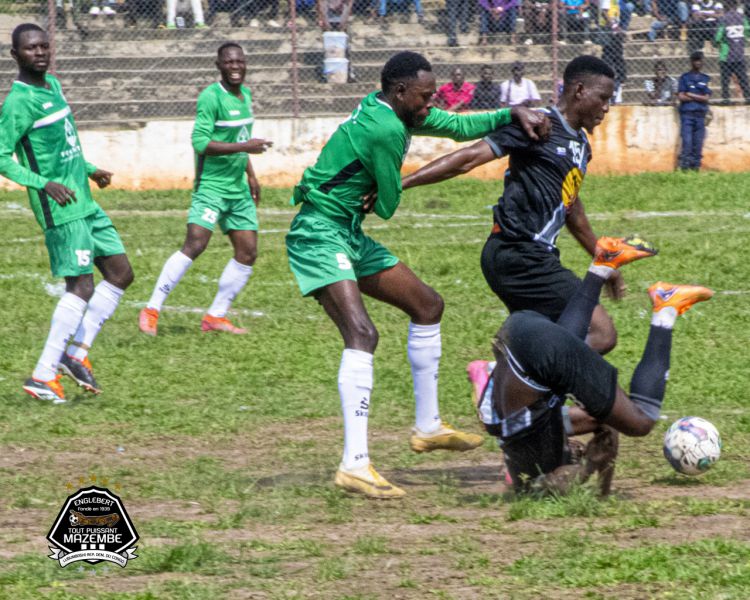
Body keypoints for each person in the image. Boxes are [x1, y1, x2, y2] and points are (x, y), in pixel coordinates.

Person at [285, 51, 549, 499]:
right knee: (362, 334)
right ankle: (354, 464)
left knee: (427, 305)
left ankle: (427, 427)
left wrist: (510, 112)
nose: (431, 104)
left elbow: (455, 126)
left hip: (346, 231)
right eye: (426, 96)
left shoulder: (388, 108)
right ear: (402, 91)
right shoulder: (387, 128)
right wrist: (385, 185)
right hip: (319, 233)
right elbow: (386, 206)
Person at [401, 56, 623, 354]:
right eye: (603, 98)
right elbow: (469, 158)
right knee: (600, 333)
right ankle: (509, 374)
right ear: (580, 90)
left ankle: (508, 375)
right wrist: (403, 183)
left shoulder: (582, 146)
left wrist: (602, 258)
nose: (607, 108)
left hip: (533, 256)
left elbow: (572, 208)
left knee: (535, 337)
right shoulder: (536, 123)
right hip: (517, 252)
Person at [467, 236, 713, 495]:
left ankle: (666, 308)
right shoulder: (536, 434)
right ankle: (603, 267)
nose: (579, 449)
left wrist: (588, 466)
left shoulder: (536, 469)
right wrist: (603, 492)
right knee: (560, 360)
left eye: (575, 453)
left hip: (534, 357)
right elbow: (605, 424)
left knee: (640, 422)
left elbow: (550, 486)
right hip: (519, 333)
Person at [0, 24, 135, 403]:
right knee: (81, 286)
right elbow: (2, 157)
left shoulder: (53, 86)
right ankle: (43, 375)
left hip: (84, 200)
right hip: (61, 208)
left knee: (121, 273)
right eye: (31, 49)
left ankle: (74, 353)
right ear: (15, 55)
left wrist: (89, 169)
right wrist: (43, 183)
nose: (40, 53)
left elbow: (64, 143)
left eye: (44, 46)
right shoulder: (17, 102)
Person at [138, 43, 272, 336]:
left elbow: (240, 137)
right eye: (229, 62)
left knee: (247, 252)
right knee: (195, 244)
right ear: (218, 65)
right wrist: (244, 147)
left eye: (239, 61)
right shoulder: (211, 98)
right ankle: (151, 308)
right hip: (211, 186)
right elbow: (201, 143)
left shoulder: (245, 95)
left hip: (237, 188)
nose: (235, 67)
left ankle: (215, 316)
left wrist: (251, 175)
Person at [677, 50, 711, 170]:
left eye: (700, 60)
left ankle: (696, 167)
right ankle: (685, 167)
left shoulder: (705, 78)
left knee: (698, 142)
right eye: (696, 60)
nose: (698, 63)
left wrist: (690, 95)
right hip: (687, 114)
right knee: (687, 142)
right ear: (691, 62)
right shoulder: (684, 78)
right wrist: (699, 98)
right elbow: (681, 96)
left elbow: (706, 97)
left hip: (700, 115)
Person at [715, 0, 750, 104]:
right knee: (743, 78)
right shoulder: (742, 18)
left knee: (725, 80)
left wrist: (717, 43)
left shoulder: (724, 19)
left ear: (725, 7)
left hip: (726, 55)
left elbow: (718, 37)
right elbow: (748, 31)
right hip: (739, 53)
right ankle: (748, 97)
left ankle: (726, 99)